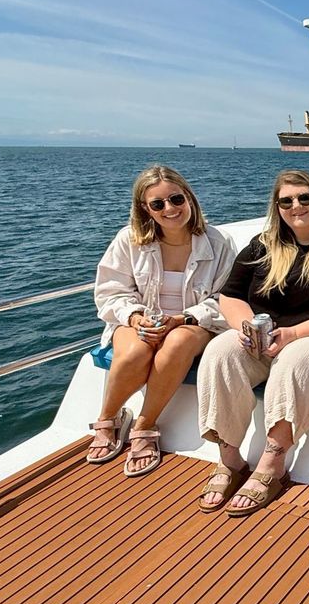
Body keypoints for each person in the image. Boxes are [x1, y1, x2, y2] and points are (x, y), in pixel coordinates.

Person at [196, 170, 309, 516]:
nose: (296, 206)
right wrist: (246, 329)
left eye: (304, 198)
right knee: (220, 351)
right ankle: (230, 460)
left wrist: (295, 334)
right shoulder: (263, 246)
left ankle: (271, 463)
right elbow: (231, 296)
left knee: (296, 358)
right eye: (286, 201)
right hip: (270, 340)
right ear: (278, 207)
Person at [88, 166, 236, 477]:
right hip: (140, 321)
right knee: (135, 352)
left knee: (178, 342)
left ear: (189, 198)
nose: (169, 209)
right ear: (145, 208)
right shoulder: (129, 240)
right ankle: (108, 417)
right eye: (158, 204)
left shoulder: (218, 242)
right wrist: (135, 316)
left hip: (194, 323)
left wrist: (183, 318)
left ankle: (144, 424)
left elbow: (228, 297)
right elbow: (110, 292)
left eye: (176, 199)